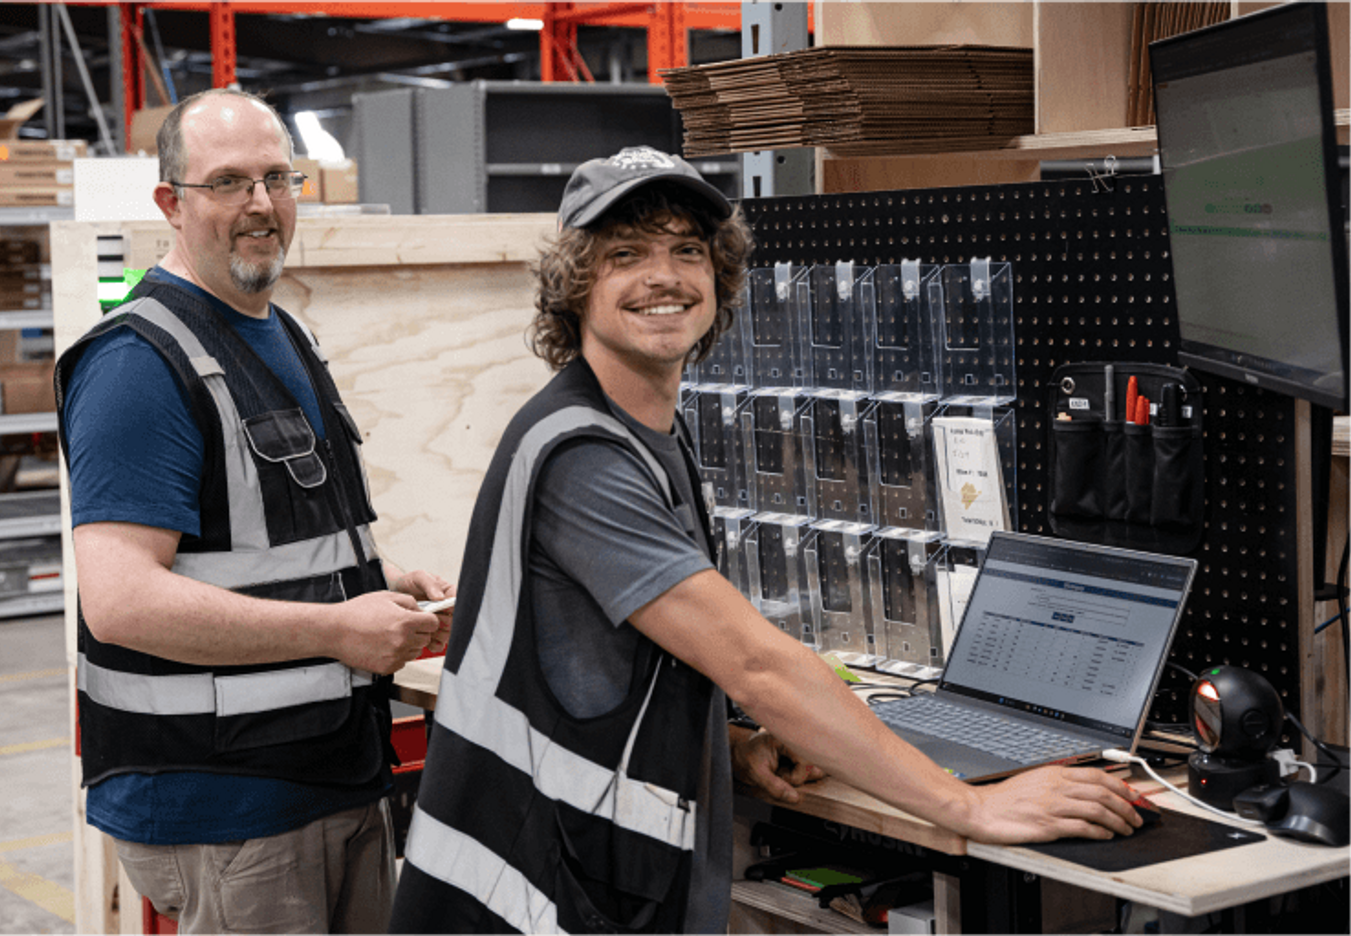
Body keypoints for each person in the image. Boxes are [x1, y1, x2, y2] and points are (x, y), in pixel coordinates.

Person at [388, 146, 1146, 936]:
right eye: (626, 255)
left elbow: (612, 667)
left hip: (580, 874)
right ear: (577, 285)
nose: (665, 276)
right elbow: (755, 663)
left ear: (719, 279)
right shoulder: (582, 455)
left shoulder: (646, 432)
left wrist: (726, 744)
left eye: (688, 250)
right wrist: (967, 804)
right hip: (524, 892)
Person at [55, 88, 453, 936]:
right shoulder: (139, 364)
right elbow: (121, 602)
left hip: (329, 770)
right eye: (229, 182)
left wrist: (380, 584)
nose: (262, 205)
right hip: (227, 802)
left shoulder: (279, 334)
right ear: (171, 202)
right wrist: (335, 630)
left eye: (278, 178)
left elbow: (260, 547)